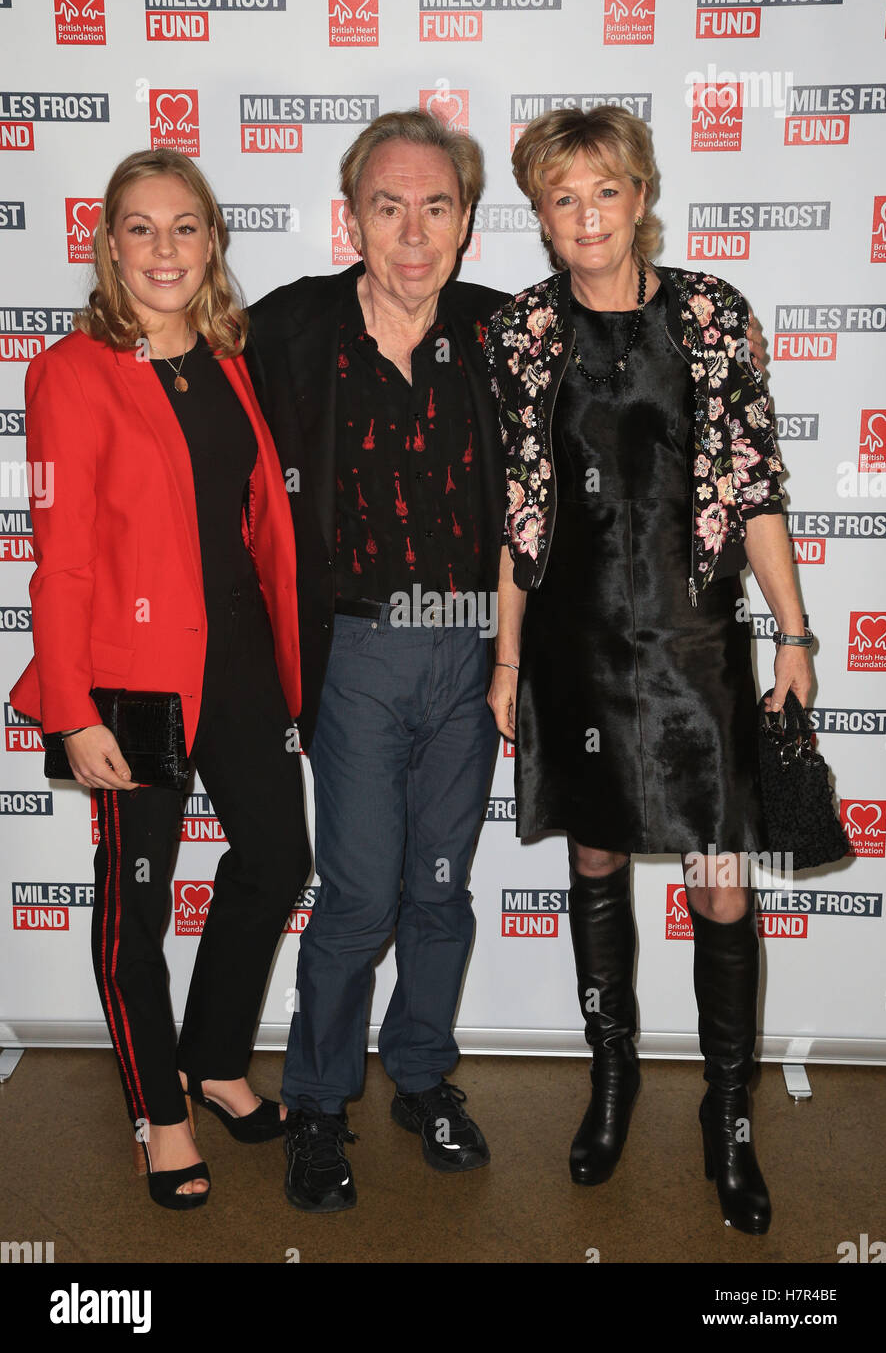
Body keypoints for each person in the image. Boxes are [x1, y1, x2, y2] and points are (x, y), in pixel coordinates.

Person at [485, 107, 811, 1235]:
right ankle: (610, 1082)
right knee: (593, 857)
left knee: (718, 877)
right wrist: (507, 655)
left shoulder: (713, 315)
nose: (584, 217)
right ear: (539, 215)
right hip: (574, 644)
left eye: (603, 193)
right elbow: (520, 509)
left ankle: (729, 1118)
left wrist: (795, 634)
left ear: (639, 196)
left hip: (695, 642)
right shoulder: (523, 329)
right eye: (560, 199)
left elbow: (753, 483)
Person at [10, 149, 311, 1210]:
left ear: (212, 239)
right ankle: (162, 1113)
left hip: (236, 658)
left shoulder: (229, 359)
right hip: (132, 677)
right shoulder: (73, 369)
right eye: (140, 228)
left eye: (184, 226)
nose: (164, 249)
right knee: (134, 908)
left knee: (278, 856)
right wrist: (72, 705)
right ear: (109, 244)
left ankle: (214, 1056)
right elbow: (62, 553)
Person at [246, 110, 508, 1212]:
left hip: (472, 651)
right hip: (352, 647)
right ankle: (315, 1100)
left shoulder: (505, 333)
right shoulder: (286, 329)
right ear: (350, 217)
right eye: (388, 205)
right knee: (357, 893)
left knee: (441, 891)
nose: (412, 230)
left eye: (436, 206)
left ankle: (419, 1074)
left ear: (464, 223)